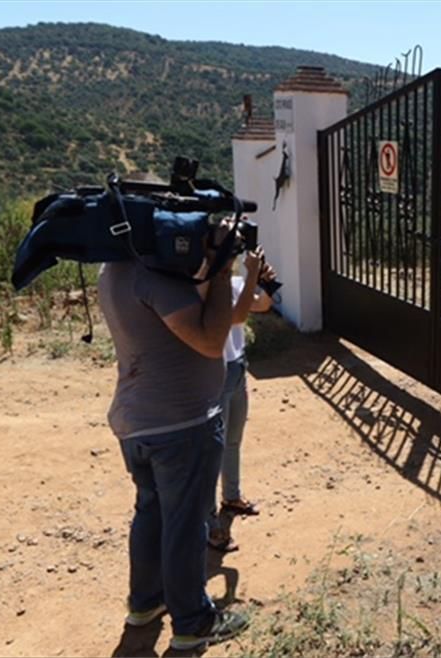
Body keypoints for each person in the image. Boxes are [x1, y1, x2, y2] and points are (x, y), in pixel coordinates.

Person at [97, 219, 251, 652]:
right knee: (185, 524)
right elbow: (209, 339)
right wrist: (221, 268)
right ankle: (192, 622)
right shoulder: (155, 278)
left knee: (152, 513)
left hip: (136, 420)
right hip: (180, 425)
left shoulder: (114, 270)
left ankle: (145, 603)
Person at [207, 248, 275, 552]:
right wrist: (251, 276)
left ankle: (231, 497)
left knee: (232, 439)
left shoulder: (234, 284)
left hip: (236, 366)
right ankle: (209, 523)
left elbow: (262, 305)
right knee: (211, 449)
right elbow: (239, 315)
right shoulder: (203, 286)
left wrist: (265, 281)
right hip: (213, 373)